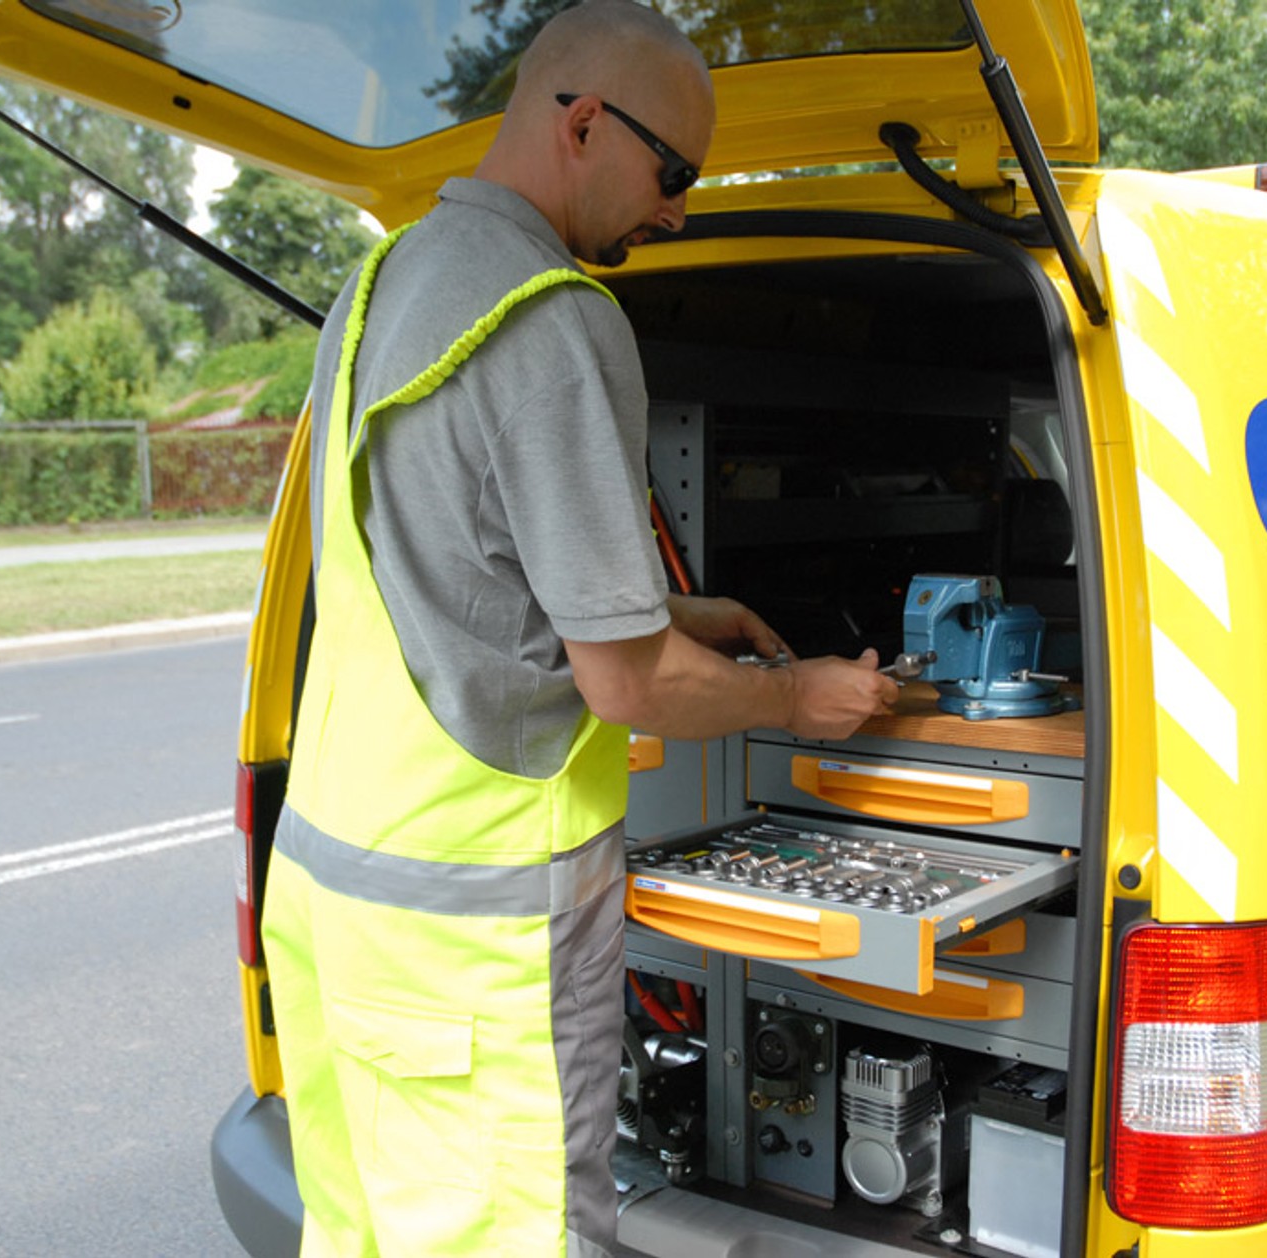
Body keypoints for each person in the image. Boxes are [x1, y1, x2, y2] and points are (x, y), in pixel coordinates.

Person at [259, 4, 901, 1255]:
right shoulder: (553, 318)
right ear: (584, 121)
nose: (676, 213)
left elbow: (447, 567)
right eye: (675, 176)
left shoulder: (385, 278)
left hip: (333, 904)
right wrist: (793, 696)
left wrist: (664, 606)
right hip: (475, 947)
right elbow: (629, 685)